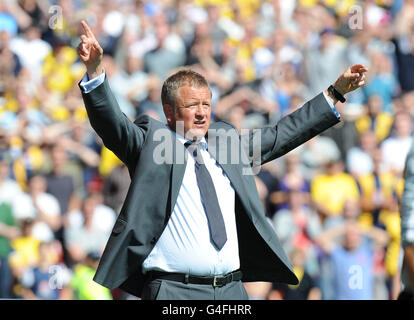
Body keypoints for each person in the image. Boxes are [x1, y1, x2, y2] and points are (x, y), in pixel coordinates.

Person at [76, 20, 368, 300]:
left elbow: (283, 134)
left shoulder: (227, 144)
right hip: (173, 290)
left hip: (230, 290)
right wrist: (95, 69)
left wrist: (335, 93)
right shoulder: (151, 143)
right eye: (192, 105)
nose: (202, 112)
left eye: (206, 103)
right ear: (169, 112)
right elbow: (111, 123)